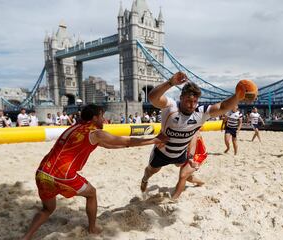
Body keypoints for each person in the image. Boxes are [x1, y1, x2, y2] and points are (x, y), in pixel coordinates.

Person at [22, 104, 167, 240]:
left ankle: (26, 237)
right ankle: (92, 228)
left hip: (42, 172)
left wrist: (127, 147)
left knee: (48, 209)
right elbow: (125, 140)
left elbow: (109, 145)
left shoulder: (73, 127)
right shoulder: (95, 132)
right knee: (91, 193)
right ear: (94, 118)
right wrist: (154, 140)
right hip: (62, 174)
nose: (103, 119)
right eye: (101, 116)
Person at [140, 72, 255, 200]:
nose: (191, 104)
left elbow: (222, 106)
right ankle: (145, 179)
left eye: (195, 101)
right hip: (162, 152)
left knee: (185, 175)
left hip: (180, 153)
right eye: (188, 100)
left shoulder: (200, 112)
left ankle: (185, 192)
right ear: (181, 97)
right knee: (151, 171)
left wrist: (237, 97)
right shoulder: (171, 106)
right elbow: (152, 98)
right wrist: (170, 82)